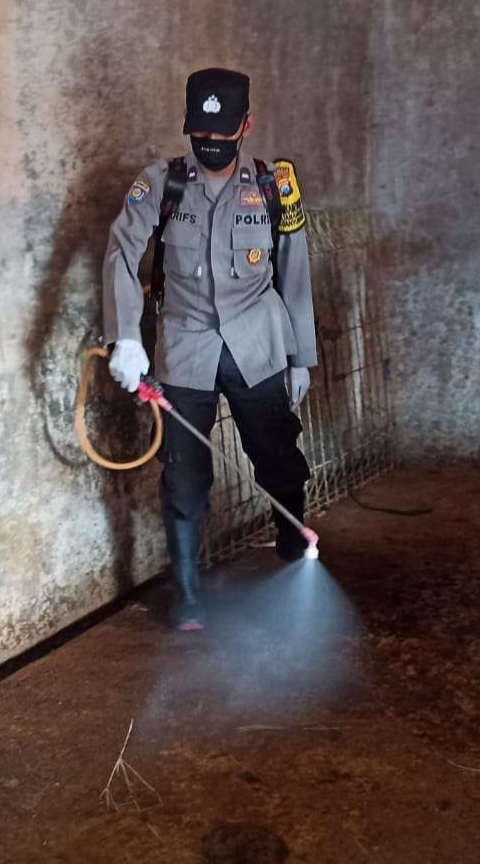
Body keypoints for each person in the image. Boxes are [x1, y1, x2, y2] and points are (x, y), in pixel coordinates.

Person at [101, 67, 318, 631]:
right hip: (185, 348)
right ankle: (189, 596)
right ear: (187, 127)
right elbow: (122, 254)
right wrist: (125, 336)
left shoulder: (273, 185)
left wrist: (301, 357)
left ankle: (295, 552)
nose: (212, 147)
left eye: (224, 137)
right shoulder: (162, 184)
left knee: (277, 458)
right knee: (183, 473)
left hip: (260, 346)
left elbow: (293, 272)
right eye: (201, 137)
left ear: (247, 125)